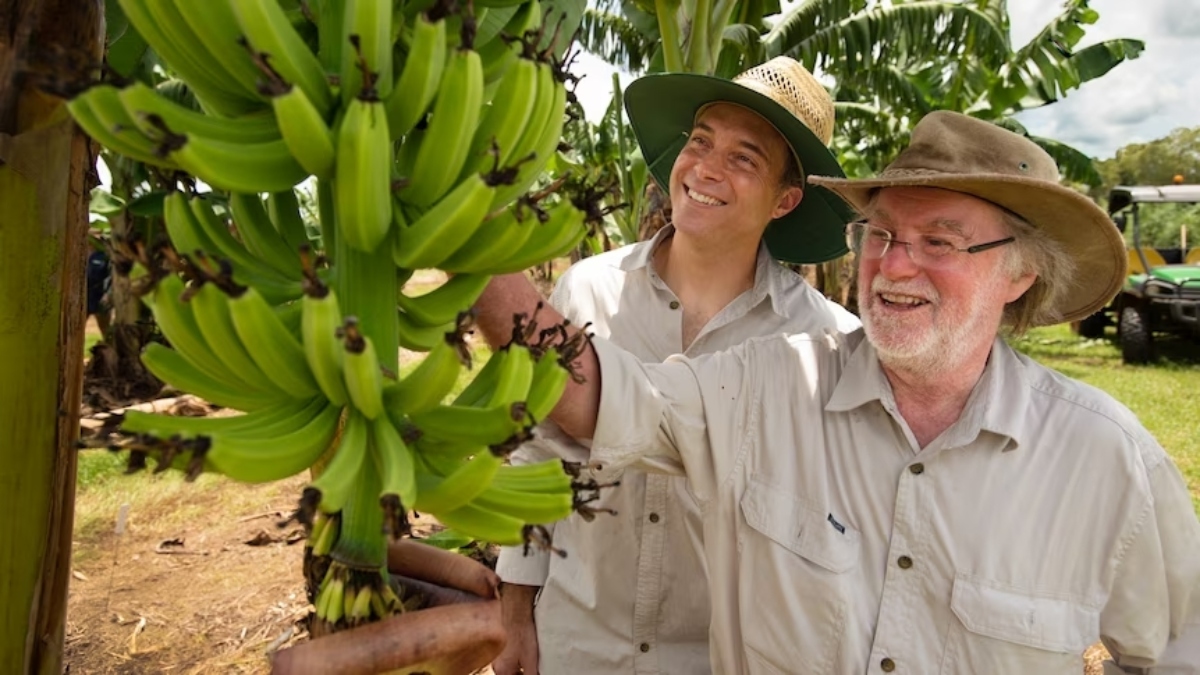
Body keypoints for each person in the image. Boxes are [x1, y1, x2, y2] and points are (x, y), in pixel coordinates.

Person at [476, 111, 1200, 673]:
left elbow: (1179, 645)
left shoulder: (1105, 458)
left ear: (1018, 273)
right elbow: (598, 393)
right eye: (881, 233)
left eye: (939, 242)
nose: (894, 266)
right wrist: (468, 230)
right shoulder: (769, 384)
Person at [488, 56, 861, 675]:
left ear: (786, 200)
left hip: (715, 658)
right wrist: (515, 615)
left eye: (745, 158)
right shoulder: (587, 292)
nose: (706, 168)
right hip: (578, 643)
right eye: (700, 142)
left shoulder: (822, 342)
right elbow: (536, 459)